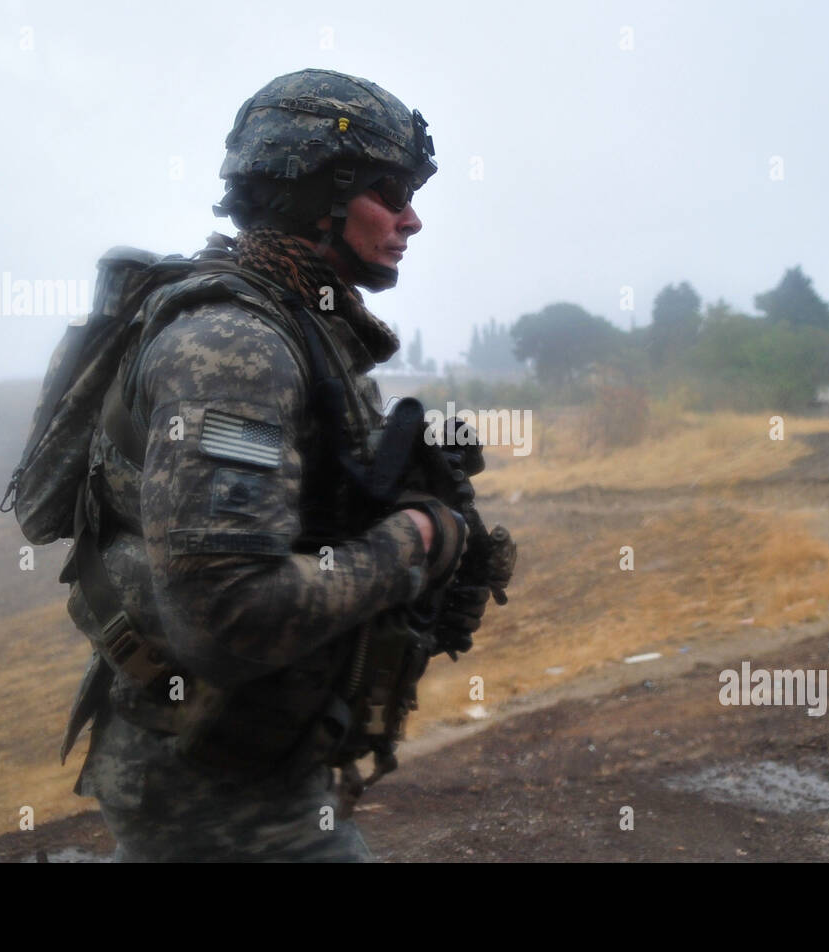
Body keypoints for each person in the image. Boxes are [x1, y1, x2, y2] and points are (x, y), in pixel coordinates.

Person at [60, 69, 500, 862]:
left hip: (247, 756)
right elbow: (231, 618)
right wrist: (418, 541)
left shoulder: (296, 324)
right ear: (310, 194)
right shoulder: (236, 347)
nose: (413, 218)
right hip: (211, 790)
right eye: (388, 190)